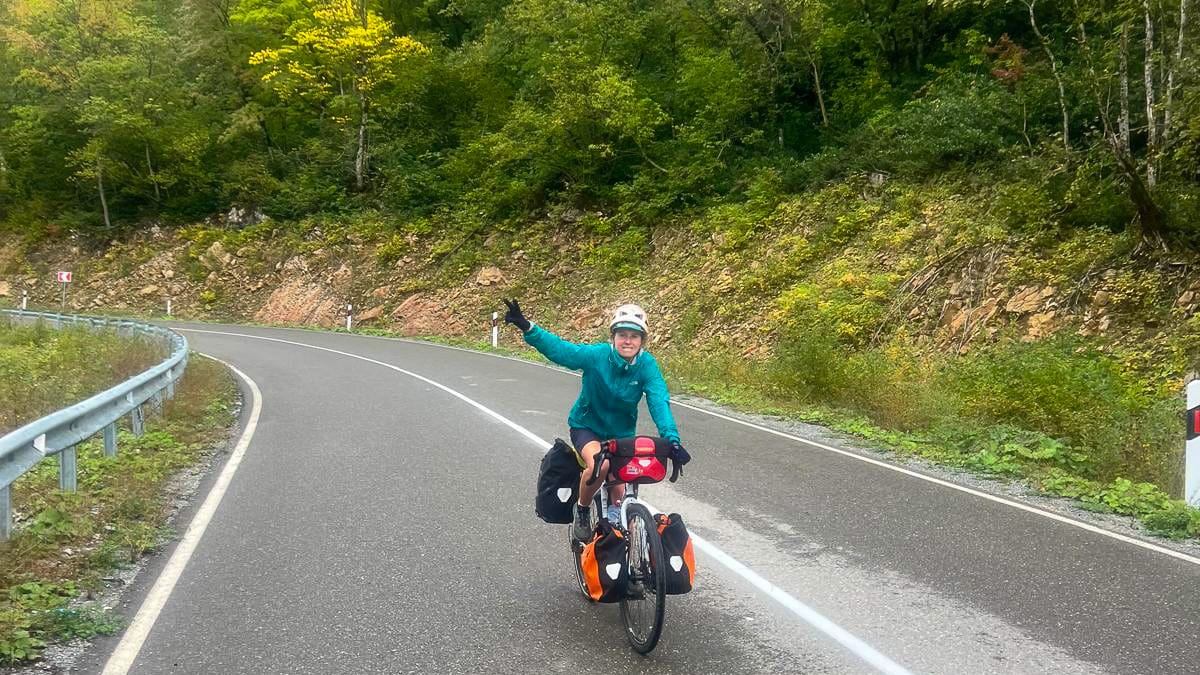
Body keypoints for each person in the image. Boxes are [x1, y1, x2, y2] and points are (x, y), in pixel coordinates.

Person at [503, 299, 691, 541]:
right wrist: (529, 328)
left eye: (634, 336)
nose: (627, 341)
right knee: (599, 466)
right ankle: (582, 509)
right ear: (613, 336)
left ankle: (625, 548)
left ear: (642, 340)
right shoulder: (597, 355)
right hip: (586, 427)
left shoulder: (647, 366)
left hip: (620, 434)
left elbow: (659, 401)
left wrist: (672, 440)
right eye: (622, 334)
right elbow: (562, 350)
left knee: (621, 491)